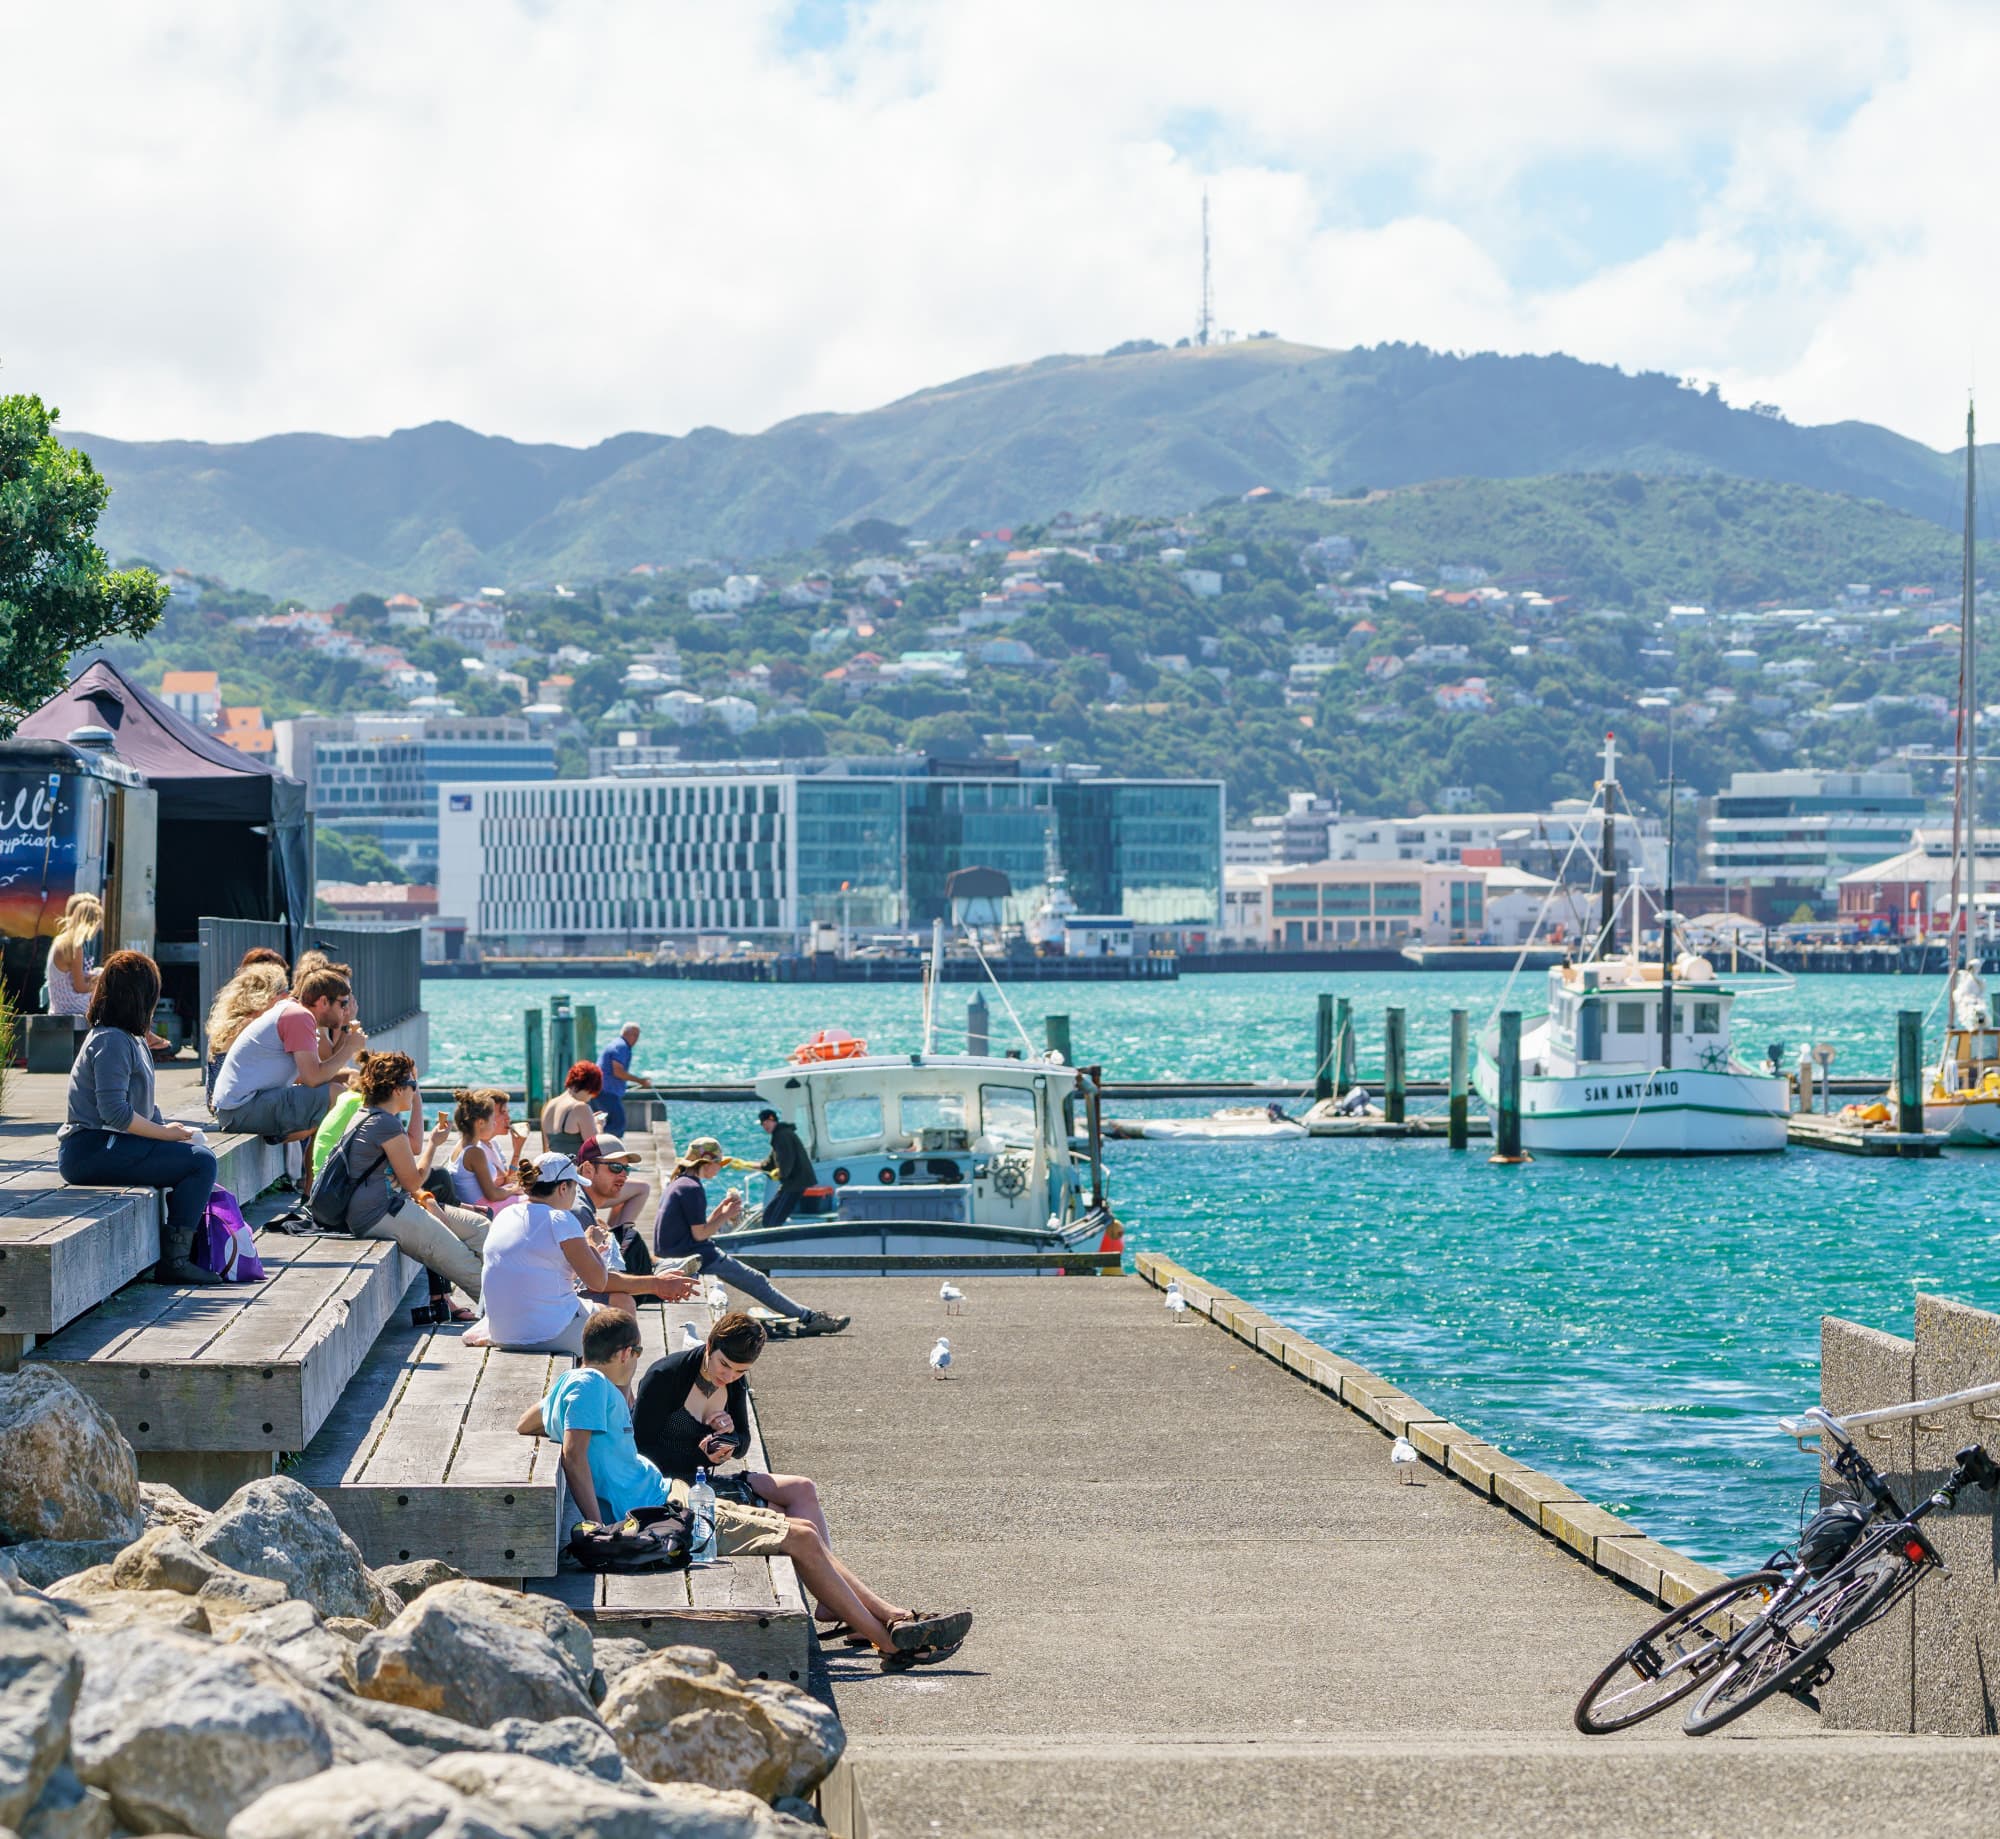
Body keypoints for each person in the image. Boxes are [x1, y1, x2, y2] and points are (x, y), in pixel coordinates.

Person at [516, 1307, 970, 1665]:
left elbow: (528, 1423)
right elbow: (572, 1454)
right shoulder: (593, 1387)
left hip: (669, 1496)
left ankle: (890, 1620)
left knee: (800, 1531)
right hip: (664, 1514)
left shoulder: (573, 1384)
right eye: (636, 1353)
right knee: (799, 1535)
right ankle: (892, 1644)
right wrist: (598, 1526)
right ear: (625, 1354)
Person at [57, 950, 217, 1282]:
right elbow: (115, 1113)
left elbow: (143, 1109)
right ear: (141, 997)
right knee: (200, 1162)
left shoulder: (131, 1039)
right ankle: (175, 1262)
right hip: (91, 1150)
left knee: (198, 1153)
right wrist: (166, 1136)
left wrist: (172, 1130)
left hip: (111, 1145)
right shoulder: (112, 1041)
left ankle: (185, 1250)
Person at [632, 1309, 834, 1542]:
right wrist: (703, 1455)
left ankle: (830, 1570)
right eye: (724, 1364)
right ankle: (827, 1571)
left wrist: (729, 1438)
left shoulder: (734, 1383)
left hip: (702, 1481)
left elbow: (743, 1444)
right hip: (669, 1488)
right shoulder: (665, 1376)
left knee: (803, 1487)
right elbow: (641, 1452)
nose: (729, 1376)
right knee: (786, 1516)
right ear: (709, 1345)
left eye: (740, 1371)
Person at [478, 1153, 696, 1355]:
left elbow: (544, 1271)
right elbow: (598, 1282)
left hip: (503, 1333)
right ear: (563, 1188)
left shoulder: (506, 1214)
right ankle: (622, 1394)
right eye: (575, 1188)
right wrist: (591, 1243)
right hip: (545, 1334)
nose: (575, 1196)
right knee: (623, 1327)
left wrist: (656, 1283)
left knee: (609, 1305)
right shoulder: (560, 1219)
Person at [325, 1050, 487, 1310]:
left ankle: (515, 1296)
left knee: (481, 1228)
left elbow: (409, 1161)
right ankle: (513, 1316)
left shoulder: (373, 1115)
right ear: (397, 1089)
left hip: (390, 1206)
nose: (415, 1091)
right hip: (377, 1214)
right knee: (461, 1259)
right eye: (413, 1086)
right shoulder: (383, 1124)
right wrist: (433, 1144)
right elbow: (413, 1182)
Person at [653, 1138, 847, 1336]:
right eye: (718, 1164)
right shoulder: (692, 1188)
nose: (719, 1168)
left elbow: (699, 1228)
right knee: (757, 1280)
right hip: (693, 1255)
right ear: (706, 1162)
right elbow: (700, 1233)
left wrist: (721, 1210)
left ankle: (809, 1316)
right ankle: (810, 1318)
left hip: (681, 1250)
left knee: (756, 1279)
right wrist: (728, 1215)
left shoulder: (680, 1183)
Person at [211, 966, 363, 1142]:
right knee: (337, 1095)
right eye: (342, 1003)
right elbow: (312, 1078)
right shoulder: (299, 1017)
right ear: (323, 1002)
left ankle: (311, 1158)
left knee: (334, 1096)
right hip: (241, 1109)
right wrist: (350, 1047)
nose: (345, 1010)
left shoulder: (292, 1010)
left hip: (239, 1108)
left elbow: (311, 1076)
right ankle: (334, 1166)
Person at [204, 962, 289, 1093]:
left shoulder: (229, 1023)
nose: (288, 997)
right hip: (242, 1101)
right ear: (269, 995)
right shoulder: (254, 1025)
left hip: (219, 1101)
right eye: (284, 991)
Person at [447, 1088, 522, 1212]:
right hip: (485, 1209)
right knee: (539, 1202)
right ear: (481, 1123)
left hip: (481, 1205)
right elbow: (492, 1194)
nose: (494, 1124)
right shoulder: (475, 1152)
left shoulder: (463, 1147)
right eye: (492, 1120)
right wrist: (516, 1188)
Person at [750, 1106, 815, 1232]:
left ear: (773, 1120)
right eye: (763, 1124)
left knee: (773, 1221)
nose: (765, 1126)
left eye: (766, 1123)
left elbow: (786, 1161)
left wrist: (780, 1173)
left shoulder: (782, 1136)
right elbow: (769, 1164)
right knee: (768, 1217)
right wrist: (746, 1164)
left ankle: (771, 1242)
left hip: (795, 1183)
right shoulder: (780, 1135)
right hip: (791, 1183)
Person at [46, 893, 103, 1017]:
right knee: (109, 1000)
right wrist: (97, 985)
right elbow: (80, 987)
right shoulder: (75, 946)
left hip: (61, 1002)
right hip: (69, 1004)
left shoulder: (65, 940)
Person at [596, 1023, 655, 1137]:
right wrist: (640, 1081)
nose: (636, 1039)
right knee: (617, 1124)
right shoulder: (621, 1047)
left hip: (601, 1090)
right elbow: (618, 1071)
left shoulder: (617, 1044)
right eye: (635, 1035)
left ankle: (603, 1149)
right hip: (607, 1091)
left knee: (605, 1123)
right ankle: (611, 1151)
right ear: (628, 1034)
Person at [541, 1061, 603, 1149]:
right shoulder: (580, 1107)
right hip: (574, 1162)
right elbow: (596, 1148)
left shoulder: (549, 1105)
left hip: (552, 1162)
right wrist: (599, 1125)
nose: (590, 1098)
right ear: (591, 1087)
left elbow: (546, 1148)